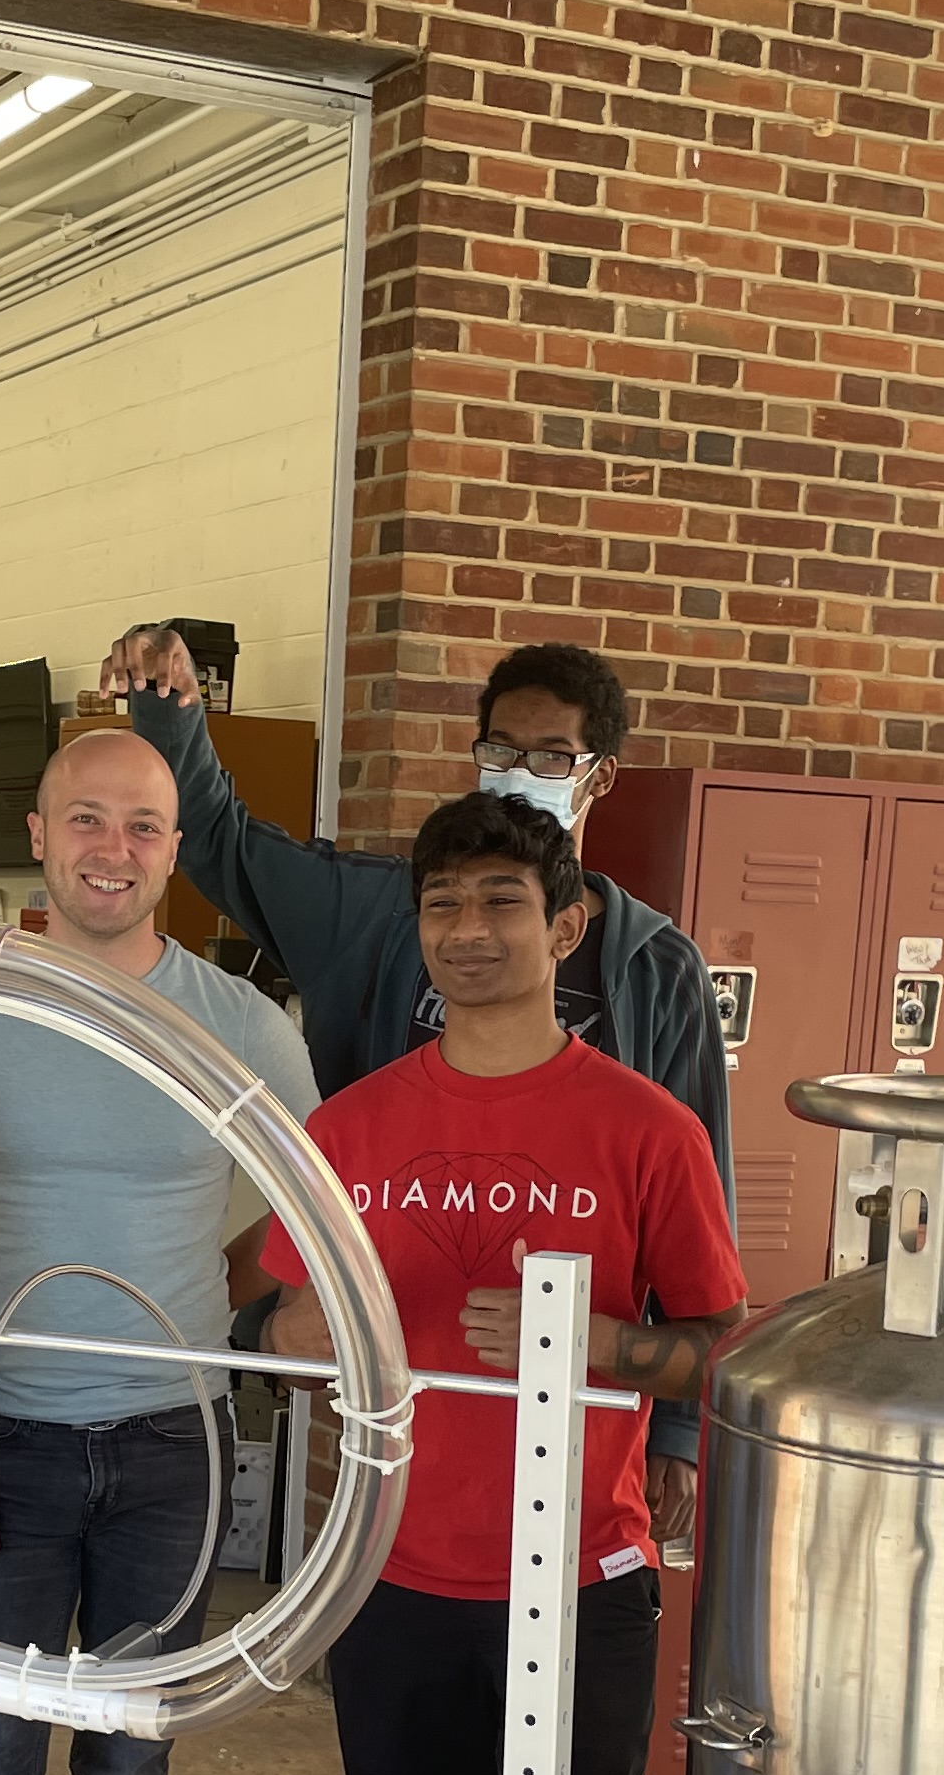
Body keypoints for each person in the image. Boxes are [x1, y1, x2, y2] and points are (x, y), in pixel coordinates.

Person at [104, 623, 732, 1558]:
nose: (469, 934)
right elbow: (230, 849)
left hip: (575, 1435)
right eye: (501, 750)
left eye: (551, 756)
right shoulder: (381, 918)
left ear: (598, 776)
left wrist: (676, 1432)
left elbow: (700, 1221)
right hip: (402, 1424)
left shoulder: (656, 972)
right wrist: (169, 713)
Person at [255, 792, 745, 1775]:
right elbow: (274, 1333)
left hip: (581, 1580)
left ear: (568, 928)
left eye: (503, 902)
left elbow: (724, 1350)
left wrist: (597, 1348)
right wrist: (299, 1328)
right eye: (443, 905)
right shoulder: (352, 1129)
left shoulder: (650, 1131)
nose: (468, 928)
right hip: (390, 1579)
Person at [0, 728, 319, 1775]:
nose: (111, 851)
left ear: (176, 849)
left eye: (141, 827)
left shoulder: (242, 1029)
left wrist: (219, 1302)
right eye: (85, 820)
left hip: (178, 1447)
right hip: (5, 1438)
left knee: (126, 1774)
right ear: (37, 834)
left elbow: (317, 1224)